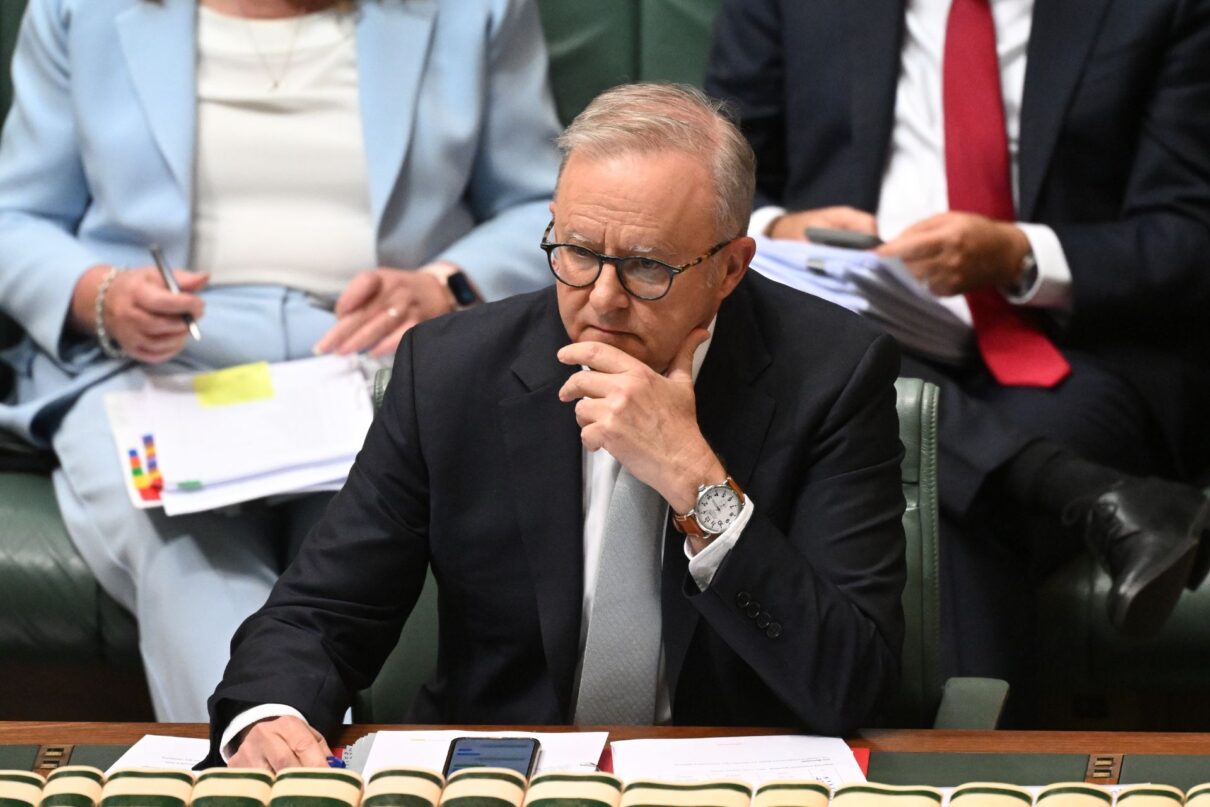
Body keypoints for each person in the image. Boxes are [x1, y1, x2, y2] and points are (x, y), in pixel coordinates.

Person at [206, 82, 907, 771]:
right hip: (498, 781)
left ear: (729, 267)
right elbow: (317, 614)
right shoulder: (451, 371)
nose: (602, 298)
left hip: (724, 781)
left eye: (644, 266)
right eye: (577, 252)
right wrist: (271, 711)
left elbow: (850, 682)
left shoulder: (830, 375)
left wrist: (698, 486)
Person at [0, 0, 561, 721]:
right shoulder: (82, 11)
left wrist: (446, 283)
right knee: (185, 556)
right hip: (158, 359)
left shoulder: (475, 12)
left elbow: (545, 202)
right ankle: (279, 763)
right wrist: (97, 295)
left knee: (365, 550)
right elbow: (16, 215)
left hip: (377, 359)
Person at [705, 0, 1210, 654]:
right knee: (855, 388)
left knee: (935, 497)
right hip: (851, 328)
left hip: (1072, 356)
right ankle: (1085, 492)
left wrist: (1017, 254)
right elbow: (714, 169)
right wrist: (776, 226)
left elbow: (1187, 238)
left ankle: (942, 754)